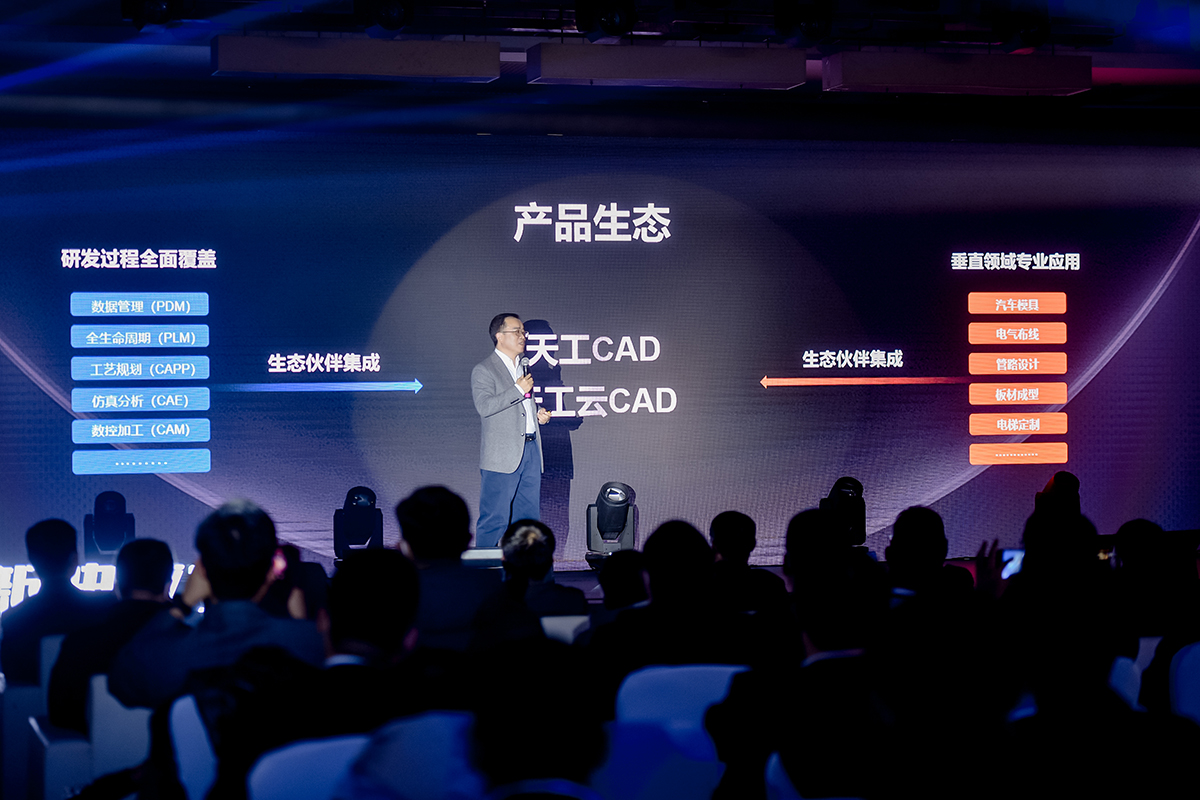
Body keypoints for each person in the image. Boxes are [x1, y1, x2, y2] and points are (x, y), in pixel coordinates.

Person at [108, 499, 325, 709]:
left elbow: (123, 682)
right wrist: (299, 620)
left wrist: (182, 604)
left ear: (201, 570)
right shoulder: (313, 643)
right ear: (271, 571)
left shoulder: (164, 656)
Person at [47, 538, 175, 734]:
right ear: (168, 587)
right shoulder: (191, 642)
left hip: (90, 749)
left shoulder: (79, 644)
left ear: (117, 587)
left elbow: (58, 714)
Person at [0, 519, 115, 686]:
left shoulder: (12, 620)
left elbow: (14, 682)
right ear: (75, 559)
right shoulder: (106, 610)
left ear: (32, 561)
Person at [471, 313, 551, 548]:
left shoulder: (523, 366)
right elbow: (485, 407)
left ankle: (528, 567)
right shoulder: (484, 370)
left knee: (528, 521)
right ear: (499, 336)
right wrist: (517, 389)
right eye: (516, 331)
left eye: (523, 332)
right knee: (494, 519)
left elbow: (521, 406)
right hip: (502, 456)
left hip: (530, 450)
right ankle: (484, 569)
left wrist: (538, 413)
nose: (522, 336)